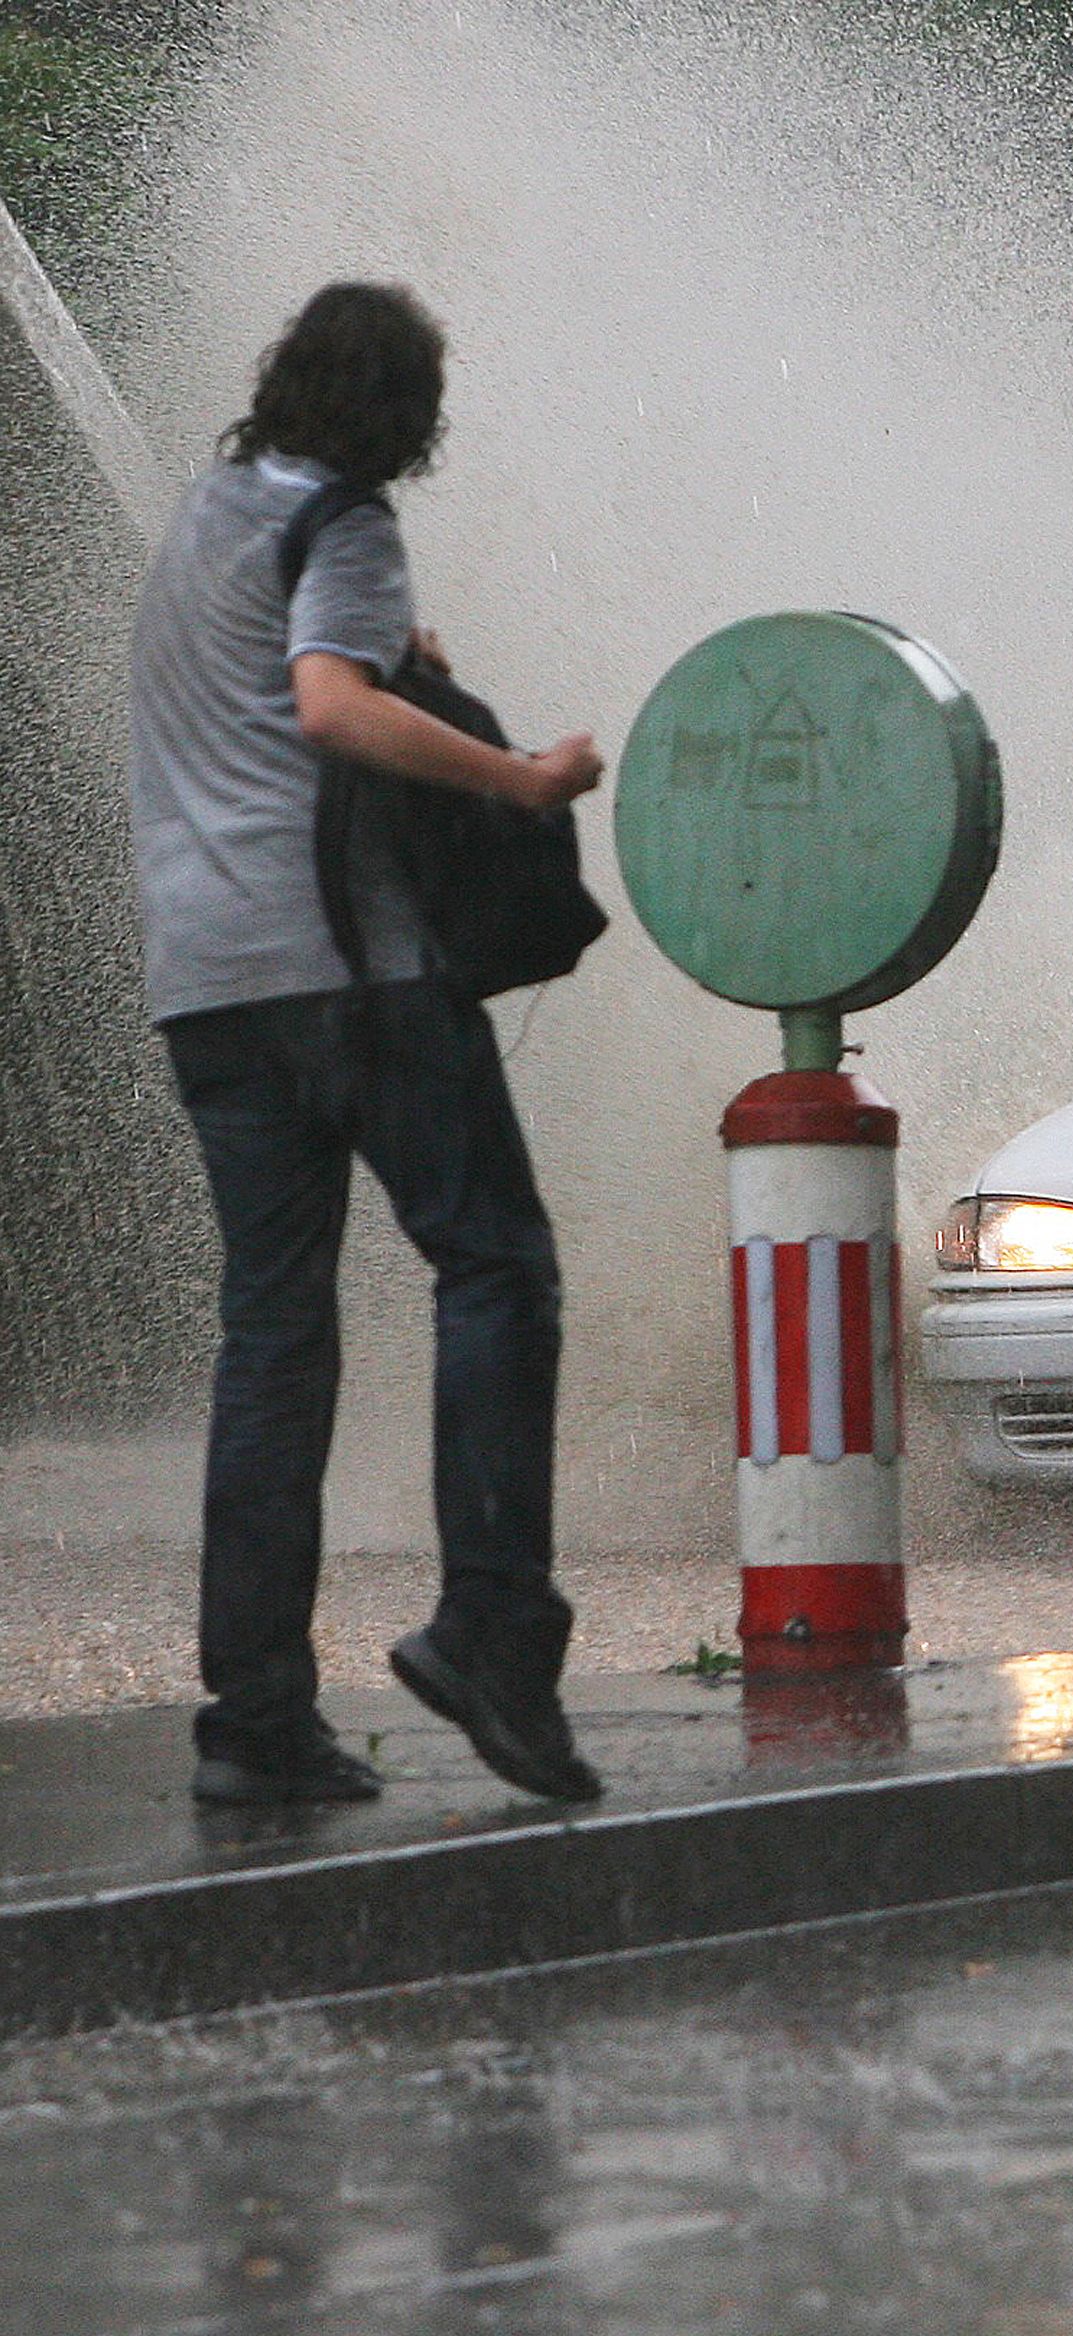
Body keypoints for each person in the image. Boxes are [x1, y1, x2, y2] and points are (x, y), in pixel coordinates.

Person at [126, 281, 606, 1805]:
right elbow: (329, 712)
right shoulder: (343, 522)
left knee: (274, 1338)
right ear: (406, 416)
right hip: (351, 976)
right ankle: (488, 1626)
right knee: (497, 1265)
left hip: (210, 989)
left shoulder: (211, 514)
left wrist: (401, 660)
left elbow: (293, 688)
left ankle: (254, 1723)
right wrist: (523, 780)